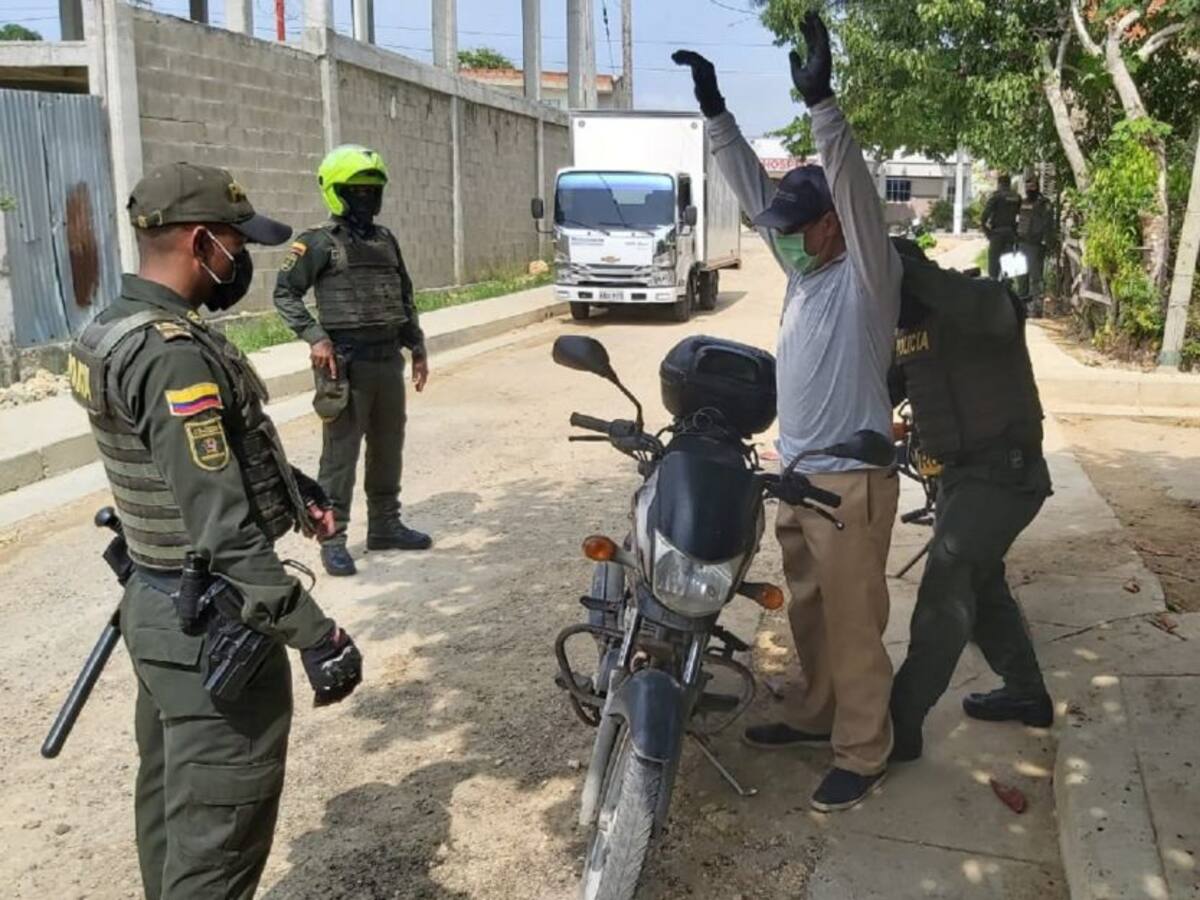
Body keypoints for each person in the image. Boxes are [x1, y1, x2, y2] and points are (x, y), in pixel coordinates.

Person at [67, 162, 363, 899]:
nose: (244, 259)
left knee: (173, 804)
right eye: (237, 242)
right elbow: (224, 530)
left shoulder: (114, 329)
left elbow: (198, 462)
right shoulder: (170, 354)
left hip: (160, 602)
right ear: (201, 242)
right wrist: (315, 633)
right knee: (218, 836)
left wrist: (295, 492)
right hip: (213, 621)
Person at [674, 11, 900, 813]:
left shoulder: (867, 274)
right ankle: (816, 713)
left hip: (851, 484)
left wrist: (823, 106)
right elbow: (751, 191)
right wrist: (716, 116)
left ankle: (865, 749)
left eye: (799, 231)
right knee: (808, 612)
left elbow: (859, 193)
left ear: (835, 223)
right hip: (800, 478)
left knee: (854, 624)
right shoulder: (808, 272)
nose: (787, 243)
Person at [887, 238, 1054, 763]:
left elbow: (994, 311)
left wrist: (903, 269)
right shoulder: (910, 333)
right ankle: (1026, 692)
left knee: (946, 588)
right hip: (961, 483)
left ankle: (899, 723)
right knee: (983, 587)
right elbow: (872, 392)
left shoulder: (981, 302)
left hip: (1006, 477)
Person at [273, 145, 431, 577]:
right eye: (356, 191)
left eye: (371, 191)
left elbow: (403, 297)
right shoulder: (319, 243)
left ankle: (385, 524)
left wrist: (416, 346)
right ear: (336, 192)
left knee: (388, 447)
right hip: (344, 366)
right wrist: (315, 337)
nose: (365, 199)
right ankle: (333, 537)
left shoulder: (385, 240)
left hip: (387, 361)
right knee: (340, 457)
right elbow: (285, 293)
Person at [1017, 175, 1053, 317]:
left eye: (1032, 186)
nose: (1029, 189)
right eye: (1027, 186)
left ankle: (1036, 309)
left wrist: (1048, 243)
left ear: (1037, 186)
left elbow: (1049, 225)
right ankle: (1022, 308)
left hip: (1036, 245)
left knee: (1035, 278)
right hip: (1021, 244)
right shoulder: (1023, 202)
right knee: (1021, 277)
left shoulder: (1044, 204)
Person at [980, 173, 1021, 279]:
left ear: (999, 184)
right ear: (1009, 183)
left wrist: (988, 233)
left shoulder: (996, 196)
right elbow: (1022, 217)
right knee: (1009, 264)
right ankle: (1007, 288)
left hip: (997, 234)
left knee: (994, 264)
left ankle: (993, 287)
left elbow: (984, 217)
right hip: (1011, 234)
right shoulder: (1017, 197)